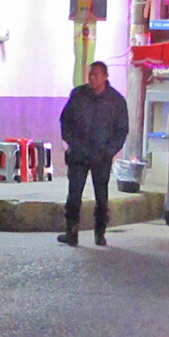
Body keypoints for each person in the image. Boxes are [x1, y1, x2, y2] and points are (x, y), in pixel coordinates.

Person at [58, 61, 128, 246]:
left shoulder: (116, 101)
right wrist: (71, 143)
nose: (92, 78)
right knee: (73, 195)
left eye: (96, 75)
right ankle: (71, 232)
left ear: (105, 77)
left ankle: (100, 232)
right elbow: (65, 120)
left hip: (101, 157)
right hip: (79, 154)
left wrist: (109, 151)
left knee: (101, 196)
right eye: (90, 74)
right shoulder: (78, 95)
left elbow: (121, 131)